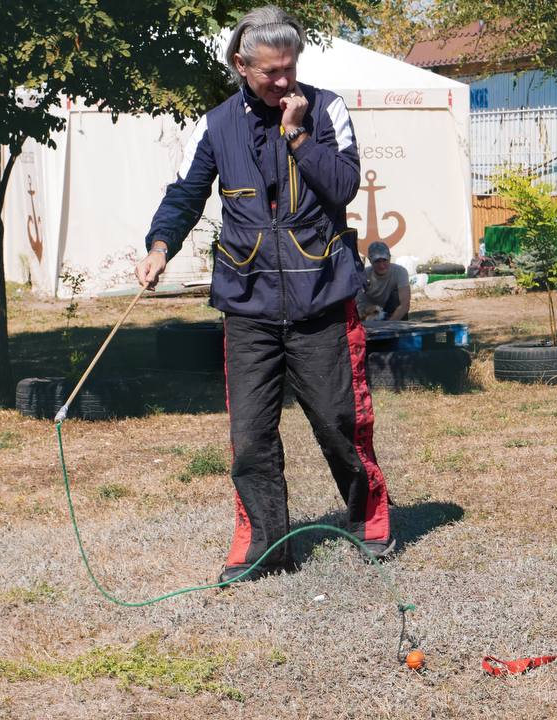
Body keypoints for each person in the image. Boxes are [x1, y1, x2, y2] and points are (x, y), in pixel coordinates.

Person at [136, 5, 393, 583]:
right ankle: (265, 546)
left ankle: (368, 520)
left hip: (322, 297)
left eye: (291, 68)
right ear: (240, 65)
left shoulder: (326, 109)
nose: (284, 81)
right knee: (250, 434)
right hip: (248, 302)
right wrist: (159, 246)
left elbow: (344, 184)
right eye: (272, 72)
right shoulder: (215, 125)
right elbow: (184, 196)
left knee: (338, 421)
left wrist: (299, 133)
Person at [358, 241, 410, 321]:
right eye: (377, 261)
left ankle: (398, 329)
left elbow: (405, 304)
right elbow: (360, 306)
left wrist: (388, 325)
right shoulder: (363, 275)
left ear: (389, 258)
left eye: (385, 260)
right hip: (371, 314)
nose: (381, 265)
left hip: (390, 312)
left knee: (396, 296)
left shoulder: (400, 272)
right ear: (370, 260)